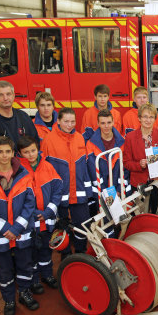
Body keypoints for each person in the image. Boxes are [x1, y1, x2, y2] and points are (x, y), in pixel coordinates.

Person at [0, 136, 38, 315]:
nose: (4, 156)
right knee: (3, 270)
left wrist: (17, 228)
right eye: (0, 152)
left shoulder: (24, 175)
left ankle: (25, 293)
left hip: (21, 233)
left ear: (13, 153)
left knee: (25, 266)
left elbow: (30, 203)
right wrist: (6, 229)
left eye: (8, 152)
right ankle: (9, 300)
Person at [42, 107, 93, 257]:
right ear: (58, 121)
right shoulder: (48, 140)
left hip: (79, 192)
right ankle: (65, 255)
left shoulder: (79, 138)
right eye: (66, 121)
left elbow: (83, 166)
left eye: (72, 121)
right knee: (61, 226)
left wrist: (88, 190)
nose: (70, 125)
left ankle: (80, 251)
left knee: (83, 225)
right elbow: (44, 169)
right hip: (60, 194)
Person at [17, 136, 62, 294]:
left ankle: (47, 275)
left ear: (38, 149)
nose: (30, 155)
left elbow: (57, 189)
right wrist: (36, 213)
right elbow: (18, 199)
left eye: (33, 151)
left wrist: (49, 211)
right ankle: (35, 280)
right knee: (31, 253)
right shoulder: (18, 171)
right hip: (30, 222)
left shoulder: (47, 166)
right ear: (20, 153)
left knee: (46, 249)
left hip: (47, 219)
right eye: (26, 152)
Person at [123, 103, 158, 219]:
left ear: (155, 119)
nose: (148, 120)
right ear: (139, 118)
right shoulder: (130, 137)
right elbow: (126, 162)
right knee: (140, 216)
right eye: (145, 116)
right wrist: (139, 165)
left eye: (151, 117)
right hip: (139, 184)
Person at [86, 109, 129, 232]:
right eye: (103, 123)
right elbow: (92, 170)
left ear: (113, 122)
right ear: (98, 124)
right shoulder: (91, 144)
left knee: (124, 220)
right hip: (102, 189)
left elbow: (124, 168)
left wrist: (119, 189)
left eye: (109, 122)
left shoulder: (122, 142)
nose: (106, 126)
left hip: (119, 188)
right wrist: (105, 193)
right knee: (106, 221)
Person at [0, 80, 39, 159]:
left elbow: (36, 143)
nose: (5, 98)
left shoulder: (24, 117)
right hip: (3, 169)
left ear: (13, 95)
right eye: (1, 95)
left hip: (27, 168)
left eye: (8, 94)